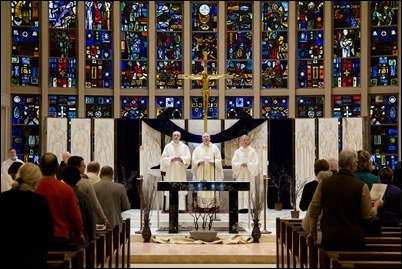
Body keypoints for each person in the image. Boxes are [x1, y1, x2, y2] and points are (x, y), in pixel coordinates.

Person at [308, 149, 384, 251]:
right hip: (353, 240)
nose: (357, 165)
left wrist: (312, 231)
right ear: (352, 164)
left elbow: (314, 209)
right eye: (356, 162)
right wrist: (376, 206)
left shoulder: (324, 183)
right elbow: (367, 216)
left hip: (330, 238)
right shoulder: (361, 186)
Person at [0, 162, 54, 268]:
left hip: (7, 257)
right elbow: (48, 234)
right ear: (35, 182)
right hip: (33, 258)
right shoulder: (40, 201)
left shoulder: (3, 198)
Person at [35, 152, 85, 250]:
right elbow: (75, 216)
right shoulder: (66, 189)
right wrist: (79, 233)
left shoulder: (34, 188)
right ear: (58, 167)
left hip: (38, 238)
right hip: (60, 237)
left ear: (40, 167)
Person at [68, 155, 112, 229]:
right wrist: (104, 218)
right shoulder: (85, 183)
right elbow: (95, 204)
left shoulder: (62, 182)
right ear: (77, 167)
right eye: (83, 165)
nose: (84, 167)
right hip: (82, 219)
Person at [62, 165, 96, 242]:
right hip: (81, 237)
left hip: (64, 236)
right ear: (78, 179)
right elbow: (90, 218)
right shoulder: (84, 197)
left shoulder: (60, 195)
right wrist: (92, 237)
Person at [160, 131, 191, 212]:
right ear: (172, 137)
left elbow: (188, 158)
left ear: (180, 137)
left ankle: (181, 208)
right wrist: (171, 159)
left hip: (181, 171)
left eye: (178, 135)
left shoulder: (184, 147)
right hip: (171, 172)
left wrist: (182, 159)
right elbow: (163, 158)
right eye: (175, 135)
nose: (176, 137)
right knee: (171, 187)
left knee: (180, 189)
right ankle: (170, 208)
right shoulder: (168, 147)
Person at [93, 166, 131, 232]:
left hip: (97, 223)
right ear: (112, 175)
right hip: (114, 222)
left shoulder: (93, 187)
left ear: (100, 175)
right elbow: (126, 206)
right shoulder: (120, 187)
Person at [191, 133, 224, 208]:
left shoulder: (214, 148)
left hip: (212, 171)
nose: (206, 138)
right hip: (201, 171)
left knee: (212, 188)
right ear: (202, 139)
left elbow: (219, 159)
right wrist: (198, 162)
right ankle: (202, 206)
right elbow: (194, 159)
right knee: (202, 188)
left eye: (207, 137)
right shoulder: (198, 148)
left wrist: (214, 162)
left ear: (210, 138)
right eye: (204, 137)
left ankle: (212, 205)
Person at [354, 149, 382, 236]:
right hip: (372, 222)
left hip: (354, 221)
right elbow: (380, 201)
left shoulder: (351, 178)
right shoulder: (375, 179)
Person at [301, 170, 333, 244]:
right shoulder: (338, 199)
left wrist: (312, 231)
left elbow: (306, 226)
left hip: (321, 239)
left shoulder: (316, 202)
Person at [231, 134, 259, 212]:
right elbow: (233, 163)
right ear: (241, 141)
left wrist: (248, 164)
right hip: (241, 174)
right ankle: (241, 207)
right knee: (240, 189)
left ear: (249, 141)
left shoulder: (253, 151)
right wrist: (240, 164)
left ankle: (251, 207)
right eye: (243, 140)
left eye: (246, 140)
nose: (245, 141)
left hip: (249, 174)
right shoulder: (237, 152)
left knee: (250, 189)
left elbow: (255, 163)